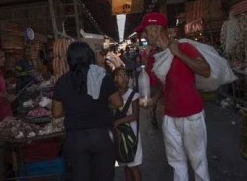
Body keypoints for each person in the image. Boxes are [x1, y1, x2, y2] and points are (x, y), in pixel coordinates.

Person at [139, 13, 211, 181]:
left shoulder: (184, 47)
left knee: (198, 162)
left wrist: (178, 54)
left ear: (155, 29)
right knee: (176, 162)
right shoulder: (154, 59)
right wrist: (154, 100)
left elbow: (206, 71)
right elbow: (163, 87)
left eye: (146, 31)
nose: (144, 35)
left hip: (192, 114)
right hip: (170, 117)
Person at [52, 41, 123, 181]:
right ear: (90, 57)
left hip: (76, 139)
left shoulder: (62, 81)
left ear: (69, 59)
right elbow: (118, 103)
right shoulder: (101, 76)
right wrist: (102, 106)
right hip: (103, 136)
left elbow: (56, 113)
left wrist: (73, 108)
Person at [113, 67, 142, 181]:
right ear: (115, 79)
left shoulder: (133, 95)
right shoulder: (114, 95)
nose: (124, 78)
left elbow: (135, 115)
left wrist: (117, 122)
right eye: (120, 76)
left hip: (132, 135)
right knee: (126, 165)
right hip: (120, 135)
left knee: (133, 166)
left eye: (126, 75)